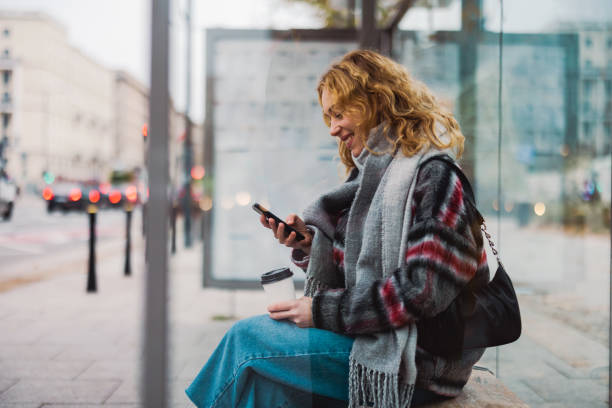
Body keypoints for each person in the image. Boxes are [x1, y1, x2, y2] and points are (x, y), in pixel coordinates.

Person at [186, 49, 490, 408]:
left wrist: (319, 311)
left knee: (246, 338)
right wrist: (312, 244)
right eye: (329, 116)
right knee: (267, 386)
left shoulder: (435, 177)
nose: (333, 128)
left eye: (340, 113)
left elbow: (422, 289)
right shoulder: (372, 179)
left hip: (420, 361)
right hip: (381, 340)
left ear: (376, 102)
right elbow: (360, 264)